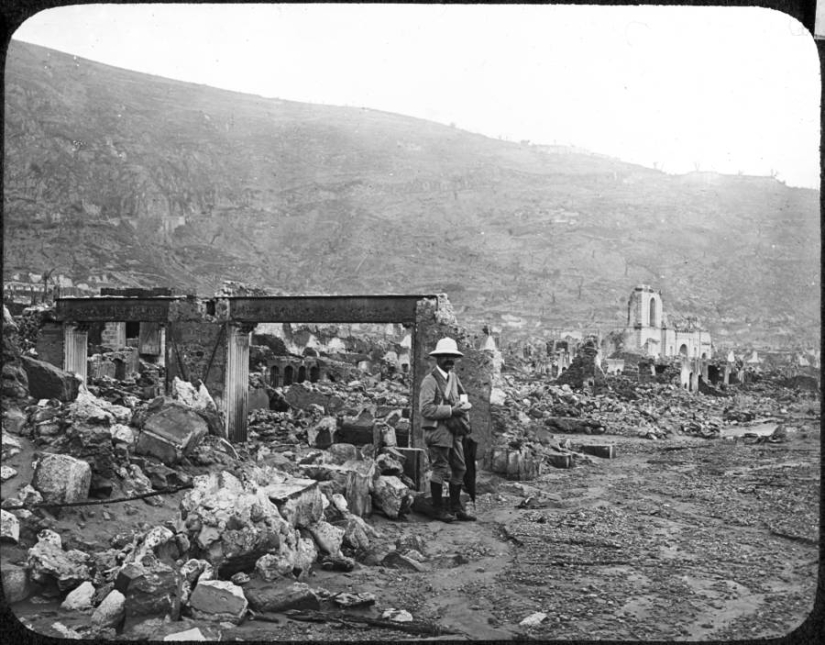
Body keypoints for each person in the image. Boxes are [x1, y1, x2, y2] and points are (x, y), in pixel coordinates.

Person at [419, 337, 476, 522]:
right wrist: (452, 410)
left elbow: (462, 395)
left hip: (454, 432)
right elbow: (425, 409)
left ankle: (455, 507)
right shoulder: (430, 381)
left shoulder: (453, 378)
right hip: (438, 432)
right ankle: (438, 509)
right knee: (440, 469)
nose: (449, 360)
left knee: (460, 468)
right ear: (437, 358)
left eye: (452, 356)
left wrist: (464, 408)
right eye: (445, 356)